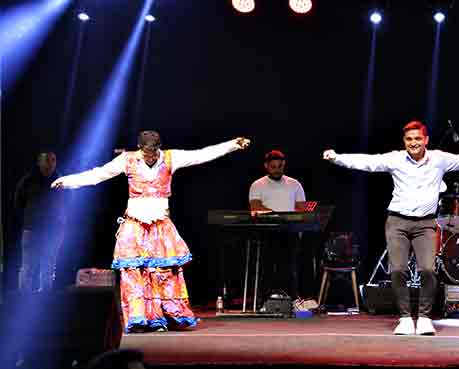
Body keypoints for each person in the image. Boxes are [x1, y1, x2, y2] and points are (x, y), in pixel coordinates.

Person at [52, 131, 251, 333]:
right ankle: (138, 318)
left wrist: (232, 144)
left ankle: (163, 316)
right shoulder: (127, 159)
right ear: (140, 148)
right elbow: (99, 174)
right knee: (133, 272)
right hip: (135, 224)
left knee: (163, 272)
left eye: (154, 152)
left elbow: (202, 154)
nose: (151, 156)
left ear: (159, 148)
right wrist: (68, 181)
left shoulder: (171, 158)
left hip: (159, 225)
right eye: (147, 152)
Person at [324, 121, 459, 335]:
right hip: (397, 222)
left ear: (426, 140)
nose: (414, 143)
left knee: (428, 270)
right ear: (404, 141)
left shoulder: (438, 159)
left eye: (418, 138)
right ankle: (404, 318)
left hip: (425, 224)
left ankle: (424, 317)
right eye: (409, 139)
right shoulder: (395, 158)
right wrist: (337, 158)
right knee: (398, 270)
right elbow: (368, 162)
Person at [248, 150, 306, 300]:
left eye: (279, 166)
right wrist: (279, 216)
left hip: (290, 232)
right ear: (266, 166)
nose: (277, 170)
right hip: (267, 231)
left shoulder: (295, 184)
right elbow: (255, 207)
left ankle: (293, 301)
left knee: (290, 269)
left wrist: (289, 220)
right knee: (267, 268)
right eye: (273, 167)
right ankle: (264, 302)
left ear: (284, 164)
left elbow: (301, 209)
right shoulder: (258, 185)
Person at [13, 151, 67, 291]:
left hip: (53, 231)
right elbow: (18, 203)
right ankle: (23, 297)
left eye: (53, 160)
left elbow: (68, 203)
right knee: (28, 267)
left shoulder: (61, 181)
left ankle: (45, 297)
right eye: (47, 160)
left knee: (49, 267)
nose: (51, 164)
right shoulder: (28, 181)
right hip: (32, 230)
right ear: (39, 162)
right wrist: (29, 220)